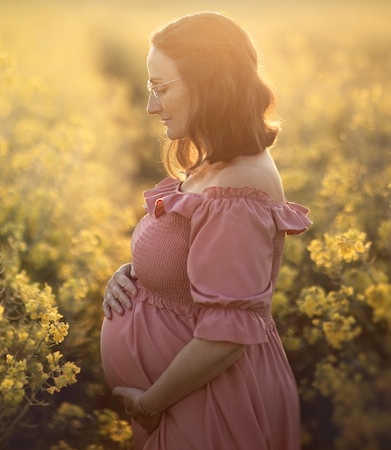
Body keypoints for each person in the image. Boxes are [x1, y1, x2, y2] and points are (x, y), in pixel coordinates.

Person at [100, 12, 312, 450]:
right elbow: (191, 266)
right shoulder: (215, 163)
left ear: (210, 84)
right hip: (191, 403)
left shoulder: (237, 187)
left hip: (214, 410)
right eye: (149, 88)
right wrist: (134, 277)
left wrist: (150, 403)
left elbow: (226, 337)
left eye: (161, 89)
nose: (150, 107)